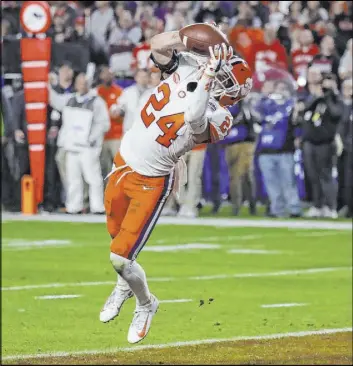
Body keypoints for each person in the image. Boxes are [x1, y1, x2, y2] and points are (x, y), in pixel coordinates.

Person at [99, 29, 252, 344]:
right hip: (123, 161)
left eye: (226, 79)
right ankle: (124, 285)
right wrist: (186, 35)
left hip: (151, 180)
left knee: (120, 258)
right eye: (220, 71)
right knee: (116, 240)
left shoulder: (221, 116)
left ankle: (146, 304)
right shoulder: (188, 67)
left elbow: (195, 118)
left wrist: (209, 75)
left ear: (232, 93)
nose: (219, 75)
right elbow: (157, 47)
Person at [49, 73, 110, 214]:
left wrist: (92, 137)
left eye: (84, 82)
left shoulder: (97, 102)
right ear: (75, 84)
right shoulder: (69, 99)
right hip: (72, 146)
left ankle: (97, 206)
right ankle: (74, 206)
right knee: (73, 178)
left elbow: (104, 123)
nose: (82, 85)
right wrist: (49, 85)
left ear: (89, 84)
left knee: (93, 178)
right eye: (79, 82)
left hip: (88, 147)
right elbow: (55, 101)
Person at [299, 73, 343, 218]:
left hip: (326, 143)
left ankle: (330, 206)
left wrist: (329, 96)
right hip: (310, 142)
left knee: (326, 176)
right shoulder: (316, 100)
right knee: (313, 176)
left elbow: (336, 114)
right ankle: (317, 205)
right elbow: (305, 111)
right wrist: (318, 97)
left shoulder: (336, 99)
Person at [96, 65, 124, 179]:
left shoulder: (119, 92)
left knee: (120, 167)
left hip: (116, 136)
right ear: (100, 75)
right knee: (104, 169)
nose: (107, 75)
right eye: (105, 73)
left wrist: (120, 113)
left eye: (110, 73)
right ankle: (105, 195)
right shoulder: (96, 92)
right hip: (101, 137)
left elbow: (124, 110)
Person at [109, 68, 150, 134]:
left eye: (145, 77)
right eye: (140, 76)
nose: (143, 79)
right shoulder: (128, 91)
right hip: (129, 129)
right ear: (136, 77)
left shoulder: (153, 92)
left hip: (146, 130)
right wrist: (117, 110)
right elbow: (120, 106)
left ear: (149, 78)